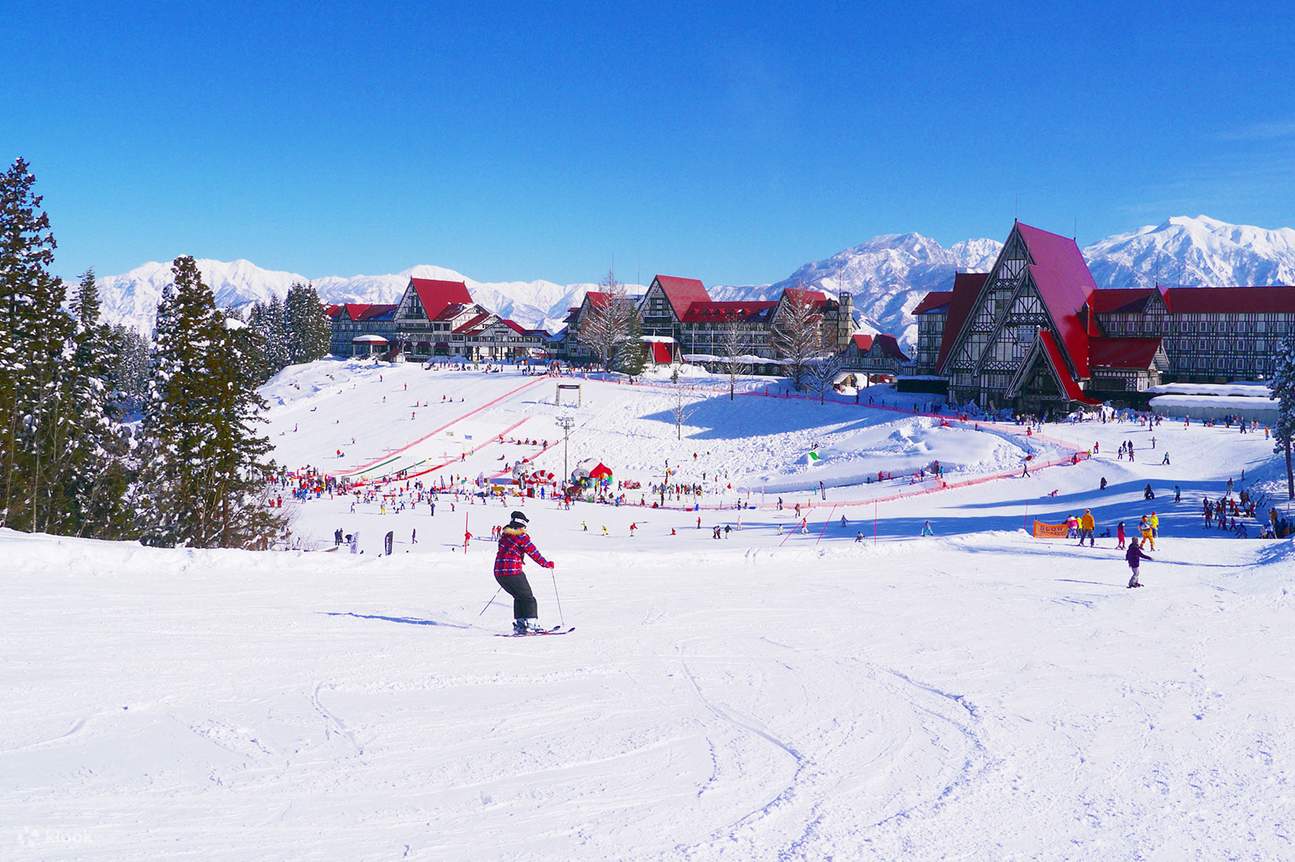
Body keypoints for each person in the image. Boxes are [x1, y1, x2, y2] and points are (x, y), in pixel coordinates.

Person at [493, 511, 554, 635]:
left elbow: (508, 551)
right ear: (522, 525)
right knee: (528, 597)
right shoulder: (521, 536)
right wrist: (546, 564)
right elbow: (533, 553)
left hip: (499, 573)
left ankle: (520, 624)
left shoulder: (504, 536)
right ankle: (532, 624)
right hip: (513, 572)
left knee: (519, 597)